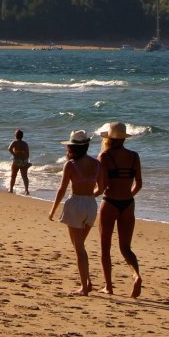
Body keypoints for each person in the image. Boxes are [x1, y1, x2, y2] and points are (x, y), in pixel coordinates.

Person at [47, 129, 100, 295]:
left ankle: (84, 287)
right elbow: (103, 187)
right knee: (80, 245)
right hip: (91, 205)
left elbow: (62, 189)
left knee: (79, 248)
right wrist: (90, 196)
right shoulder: (97, 164)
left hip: (76, 203)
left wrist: (53, 209)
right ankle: (88, 282)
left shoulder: (70, 165)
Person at [95, 121, 143, 297]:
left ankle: (108, 286)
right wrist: (128, 194)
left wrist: (88, 195)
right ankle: (136, 275)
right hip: (128, 203)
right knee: (126, 248)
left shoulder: (104, 157)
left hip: (110, 202)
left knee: (105, 247)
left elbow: (101, 187)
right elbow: (139, 183)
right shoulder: (134, 156)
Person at [7, 129, 32, 194]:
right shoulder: (25, 143)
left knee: (13, 176)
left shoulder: (14, 142)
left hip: (16, 160)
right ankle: (26, 190)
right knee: (25, 177)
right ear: (22, 136)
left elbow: (9, 148)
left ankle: (11, 189)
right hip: (23, 161)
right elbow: (27, 153)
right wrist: (26, 161)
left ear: (15, 136)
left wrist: (14, 154)